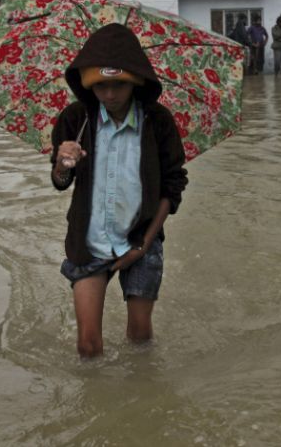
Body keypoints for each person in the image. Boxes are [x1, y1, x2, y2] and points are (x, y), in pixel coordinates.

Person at [50, 23, 189, 358]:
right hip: (89, 242)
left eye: (119, 85)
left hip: (140, 236)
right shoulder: (75, 120)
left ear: (136, 81)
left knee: (140, 336)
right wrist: (60, 164)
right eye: (100, 86)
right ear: (87, 83)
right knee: (87, 346)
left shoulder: (157, 121)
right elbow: (60, 182)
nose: (109, 94)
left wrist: (142, 246)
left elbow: (173, 185)